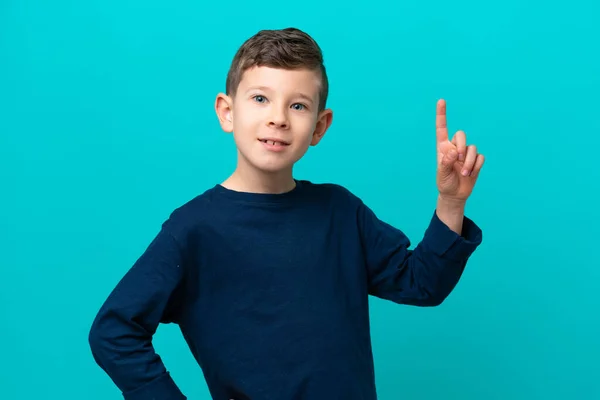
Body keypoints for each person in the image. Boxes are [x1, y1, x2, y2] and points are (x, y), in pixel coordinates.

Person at [88, 27, 485, 400]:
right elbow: (114, 330)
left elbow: (422, 284)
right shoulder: (194, 229)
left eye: (297, 105)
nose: (278, 117)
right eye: (260, 98)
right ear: (227, 112)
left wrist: (451, 202)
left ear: (319, 126)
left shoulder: (340, 212)